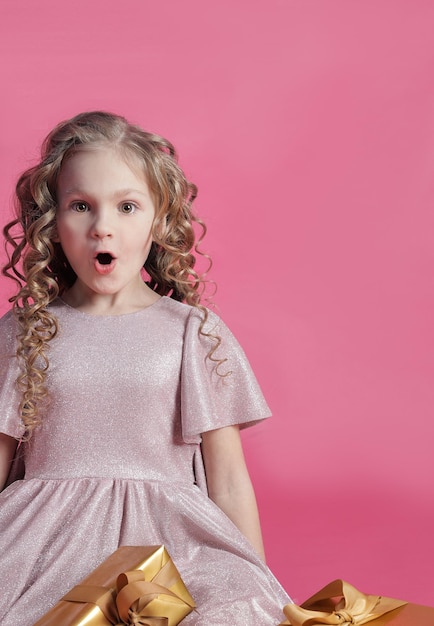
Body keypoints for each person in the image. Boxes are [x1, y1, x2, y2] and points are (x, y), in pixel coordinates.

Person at [0, 111, 291, 625]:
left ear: (158, 220)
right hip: (41, 547)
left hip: (173, 544)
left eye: (127, 206)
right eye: (80, 206)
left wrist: (260, 587)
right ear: (53, 221)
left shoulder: (192, 331)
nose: (102, 227)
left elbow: (227, 482)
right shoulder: (21, 333)